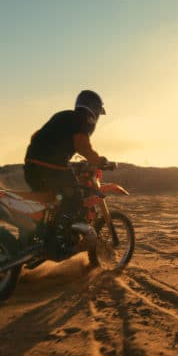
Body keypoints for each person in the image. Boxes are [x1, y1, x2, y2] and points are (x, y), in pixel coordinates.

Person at [23, 90, 107, 255]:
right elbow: (82, 146)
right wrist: (99, 161)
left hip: (31, 166)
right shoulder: (83, 120)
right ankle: (58, 244)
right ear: (94, 109)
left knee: (51, 203)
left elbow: (36, 136)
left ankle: (39, 239)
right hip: (50, 167)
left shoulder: (63, 116)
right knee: (75, 198)